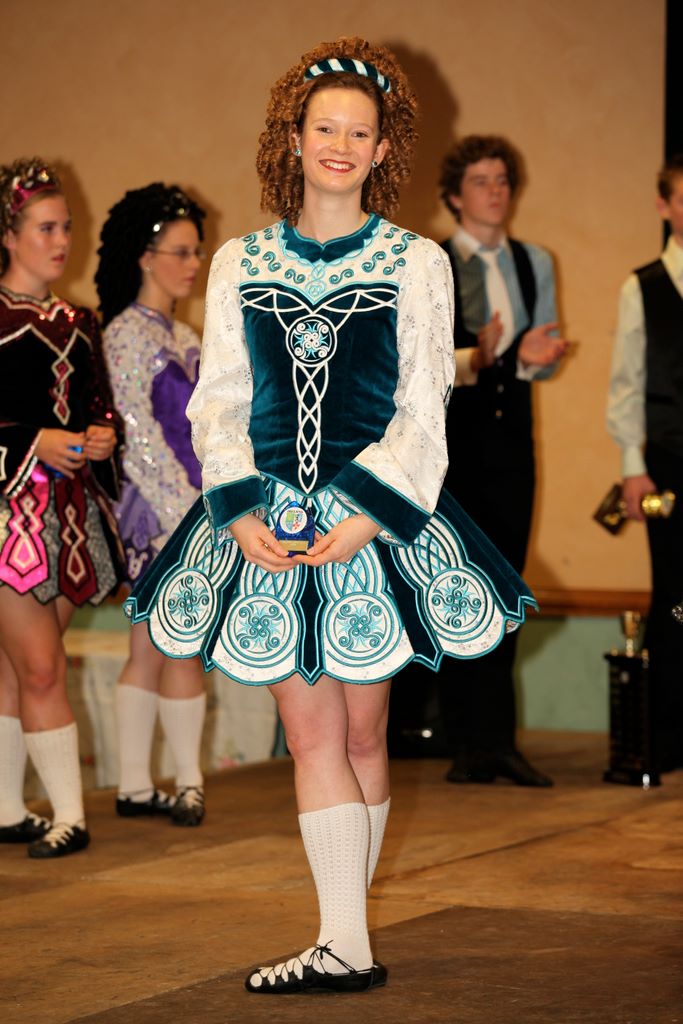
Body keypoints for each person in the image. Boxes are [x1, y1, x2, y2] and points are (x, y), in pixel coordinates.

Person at [127, 38, 536, 994]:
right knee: (315, 733)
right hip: (263, 524)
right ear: (293, 137)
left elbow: (422, 407)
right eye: (325, 129)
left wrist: (364, 518)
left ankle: (345, 936)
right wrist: (236, 510)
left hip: (373, 525)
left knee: (360, 736)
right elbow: (218, 402)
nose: (340, 146)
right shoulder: (240, 261)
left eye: (359, 132)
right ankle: (344, 939)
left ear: (383, 148)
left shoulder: (416, 261)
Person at [399, 134, 568, 789]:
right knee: (454, 585)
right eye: (480, 181)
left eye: (502, 180)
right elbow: (418, 362)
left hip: (513, 441)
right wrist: (483, 353)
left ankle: (495, 741)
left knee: (507, 582)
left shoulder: (534, 260)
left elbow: (537, 356)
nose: (495, 191)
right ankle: (463, 738)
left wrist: (531, 358)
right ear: (453, 195)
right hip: (451, 444)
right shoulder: (432, 261)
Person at [0, 158, 124, 858]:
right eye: (45, 228)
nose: (60, 241)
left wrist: (103, 435)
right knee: (42, 667)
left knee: (16, 669)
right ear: (8, 235)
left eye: (66, 227)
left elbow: (98, 406)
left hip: (71, 523)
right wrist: (34, 442)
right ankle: (70, 816)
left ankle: (5, 807)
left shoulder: (80, 321)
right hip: (8, 519)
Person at [96, 184, 208, 826]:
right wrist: (189, 512)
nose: (193, 264)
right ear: (145, 256)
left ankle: (148, 784)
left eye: (196, 251)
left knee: (161, 644)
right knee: (165, 644)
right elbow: (136, 436)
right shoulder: (124, 335)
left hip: (192, 505)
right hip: (158, 513)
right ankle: (169, 782)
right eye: (181, 252)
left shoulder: (187, 334)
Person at [607, 153, 683, 772]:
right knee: (676, 593)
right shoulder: (643, 287)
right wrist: (634, 465)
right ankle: (670, 732)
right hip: (668, 459)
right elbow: (626, 383)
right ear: (664, 206)